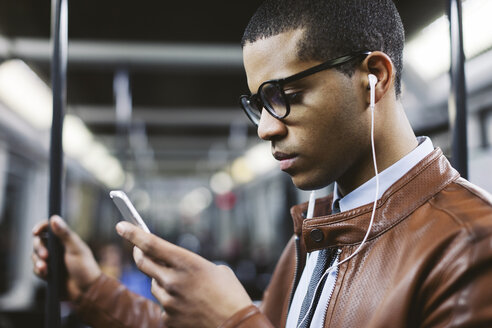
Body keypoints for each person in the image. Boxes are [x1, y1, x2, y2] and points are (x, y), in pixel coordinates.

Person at [32, 0, 492, 327]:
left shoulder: (470, 247)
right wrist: (93, 290)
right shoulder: (320, 232)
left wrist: (232, 322)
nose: (265, 129)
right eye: (260, 105)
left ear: (373, 77)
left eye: (286, 98)